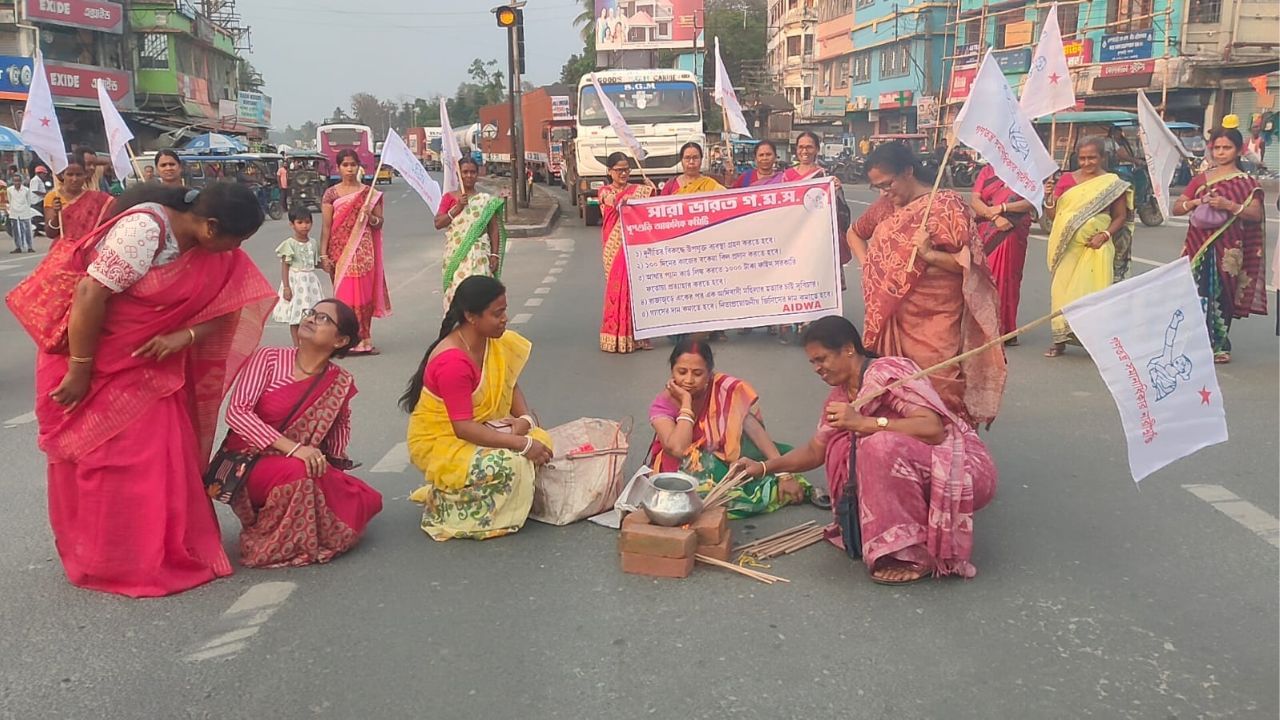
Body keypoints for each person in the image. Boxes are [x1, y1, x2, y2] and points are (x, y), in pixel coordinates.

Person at [12, 181, 275, 597]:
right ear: (210, 226)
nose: (235, 249)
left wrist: (184, 336)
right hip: (94, 362)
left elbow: (229, 305)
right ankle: (109, 560)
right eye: (235, 239)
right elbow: (87, 295)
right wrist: (80, 370)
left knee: (157, 459)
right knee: (104, 463)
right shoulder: (143, 232)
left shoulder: (205, 250)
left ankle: (161, 551)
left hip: (152, 369)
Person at [729, 316, 997, 585]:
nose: (817, 369)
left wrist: (865, 423)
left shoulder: (888, 373)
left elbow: (933, 429)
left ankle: (918, 553)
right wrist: (763, 468)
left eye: (821, 359)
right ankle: (889, 527)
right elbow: (815, 451)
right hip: (916, 467)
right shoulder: (840, 397)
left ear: (848, 349)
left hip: (958, 469)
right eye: (812, 362)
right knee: (845, 446)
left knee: (875, 443)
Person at [847, 142, 1005, 426]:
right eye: (878, 188)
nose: (885, 193)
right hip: (893, 316)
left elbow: (968, 265)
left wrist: (930, 255)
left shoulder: (947, 206)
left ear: (908, 171)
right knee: (893, 389)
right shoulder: (885, 207)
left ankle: (953, 454)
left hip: (936, 318)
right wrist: (869, 265)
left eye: (888, 184)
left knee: (940, 387)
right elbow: (854, 234)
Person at [223, 299, 383, 568]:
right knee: (301, 472)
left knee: (362, 496)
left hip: (299, 463)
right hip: (245, 463)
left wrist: (332, 473)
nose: (309, 319)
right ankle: (268, 544)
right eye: (310, 313)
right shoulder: (269, 358)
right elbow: (237, 412)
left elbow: (338, 432)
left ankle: (310, 527)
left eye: (323, 319)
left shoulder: (340, 382)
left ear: (340, 340)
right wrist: (296, 450)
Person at [402, 276, 553, 541]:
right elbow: (462, 428)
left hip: (482, 429)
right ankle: (450, 507)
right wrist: (520, 444)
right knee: (512, 463)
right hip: (443, 443)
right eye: (497, 313)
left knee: (542, 440)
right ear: (472, 316)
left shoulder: (495, 340)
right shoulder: (453, 362)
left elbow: (510, 384)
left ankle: (502, 496)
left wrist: (525, 421)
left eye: (505, 310)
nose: (505, 318)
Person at [646, 337, 816, 519]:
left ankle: (780, 480)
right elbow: (678, 448)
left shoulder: (723, 389)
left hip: (721, 450)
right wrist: (686, 402)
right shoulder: (663, 403)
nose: (688, 380)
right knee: (718, 487)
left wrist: (784, 474)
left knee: (784, 456)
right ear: (672, 371)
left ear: (710, 373)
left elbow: (753, 428)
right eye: (681, 372)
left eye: (697, 373)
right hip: (685, 465)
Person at [1171, 123, 1267, 363]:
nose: (1221, 152)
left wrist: (1229, 206)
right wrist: (1195, 202)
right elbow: (1178, 207)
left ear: (1238, 150)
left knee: (1223, 292)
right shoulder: (1201, 179)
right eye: (1217, 148)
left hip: (1229, 246)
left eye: (1227, 148)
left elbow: (1255, 214)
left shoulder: (1246, 182)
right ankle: (1193, 342)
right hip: (1197, 244)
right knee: (1195, 293)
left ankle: (1219, 345)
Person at [1043, 137, 1132, 358]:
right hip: (1068, 248)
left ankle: (1095, 342)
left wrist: (1104, 235)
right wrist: (1048, 198)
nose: (1086, 163)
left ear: (1102, 157)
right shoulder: (1065, 180)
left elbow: (1120, 216)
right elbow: (1055, 217)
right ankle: (1059, 339)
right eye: (1082, 158)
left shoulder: (1113, 183)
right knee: (1062, 292)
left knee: (1094, 293)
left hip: (1096, 248)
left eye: (1092, 157)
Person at [319, 148, 389, 355]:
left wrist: (370, 216)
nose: (349, 169)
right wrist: (323, 255)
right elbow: (326, 227)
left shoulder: (369, 194)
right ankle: (344, 342)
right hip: (339, 252)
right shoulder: (331, 194)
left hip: (364, 252)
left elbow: (379, 224)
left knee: (364, 297)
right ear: (338, 168)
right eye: (345, 165)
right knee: (344, 298)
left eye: (353, 164)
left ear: (359, 166)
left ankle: (364, 340)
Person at [598, 151, 656, 353]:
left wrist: (651, 190)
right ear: (609, 171)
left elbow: (651, 204)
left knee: (637, 289)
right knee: (618, 289)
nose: (623, 174)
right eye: (619, 170)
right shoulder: (604, 191)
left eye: (626, 170)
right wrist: (632, 195)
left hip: (633, 244)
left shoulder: (636, 189)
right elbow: (614, 201)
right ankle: (615, 336)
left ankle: (639, 336)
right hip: (614, 247)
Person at [971, 163, 1035, 343]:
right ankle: (982, 327)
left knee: (1005, 279)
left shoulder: (1027, 170)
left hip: (1011, 230)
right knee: (981, 279)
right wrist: (994, 217)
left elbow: (1032, 201)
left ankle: (1003, 329)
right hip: (985, 229)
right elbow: (975, 200)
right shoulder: (988, 170)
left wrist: (1003, 209)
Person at [433, 157, 506, 312]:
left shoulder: (486, 200)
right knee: (457, 291)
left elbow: (493, 228)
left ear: (477, 174)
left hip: (480, 255)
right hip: (456, 255)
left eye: (472, 172)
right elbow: (438, 223)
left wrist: (494, 255)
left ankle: (481, 331)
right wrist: (457, 208)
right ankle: (458, 330)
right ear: (458, 173)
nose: (469, 176)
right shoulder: (449, 198)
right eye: (465, 172)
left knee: (482, 295)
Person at [272, 207, 325, 346]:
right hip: (296, 282)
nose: (304, 226)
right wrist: (287, 288)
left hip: (310, 283)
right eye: (300, 222)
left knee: (311, 314)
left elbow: (315, 263)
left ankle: (310, 344)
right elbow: (285, 266)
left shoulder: (313, 243)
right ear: (292, 224)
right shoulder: (289, 244)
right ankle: (297, 346)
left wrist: (326, 266)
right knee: (296, 316)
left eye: (307, 222)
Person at [43, 160, 113, 245]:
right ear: (62, 175)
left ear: (85, 175)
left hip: (89, 249)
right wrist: (56, 215)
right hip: (63, 252)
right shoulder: (53, 197)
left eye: (79, 175)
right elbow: (50, 233)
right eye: (70, 174)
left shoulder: (96, 198)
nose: (74, 179)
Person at [7, 172, 38, 253]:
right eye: (15, 181)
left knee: (27, 230)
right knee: (16, 231)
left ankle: (30, 247)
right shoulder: (9, 190)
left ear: (21, 181)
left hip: (24, 211)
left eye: (18, 181)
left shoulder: (26, 190)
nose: (17, 183)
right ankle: (18, 247)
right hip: (14, 212)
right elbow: (10, 200)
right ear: (12, 181)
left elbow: (28, 202)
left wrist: (26, 210)